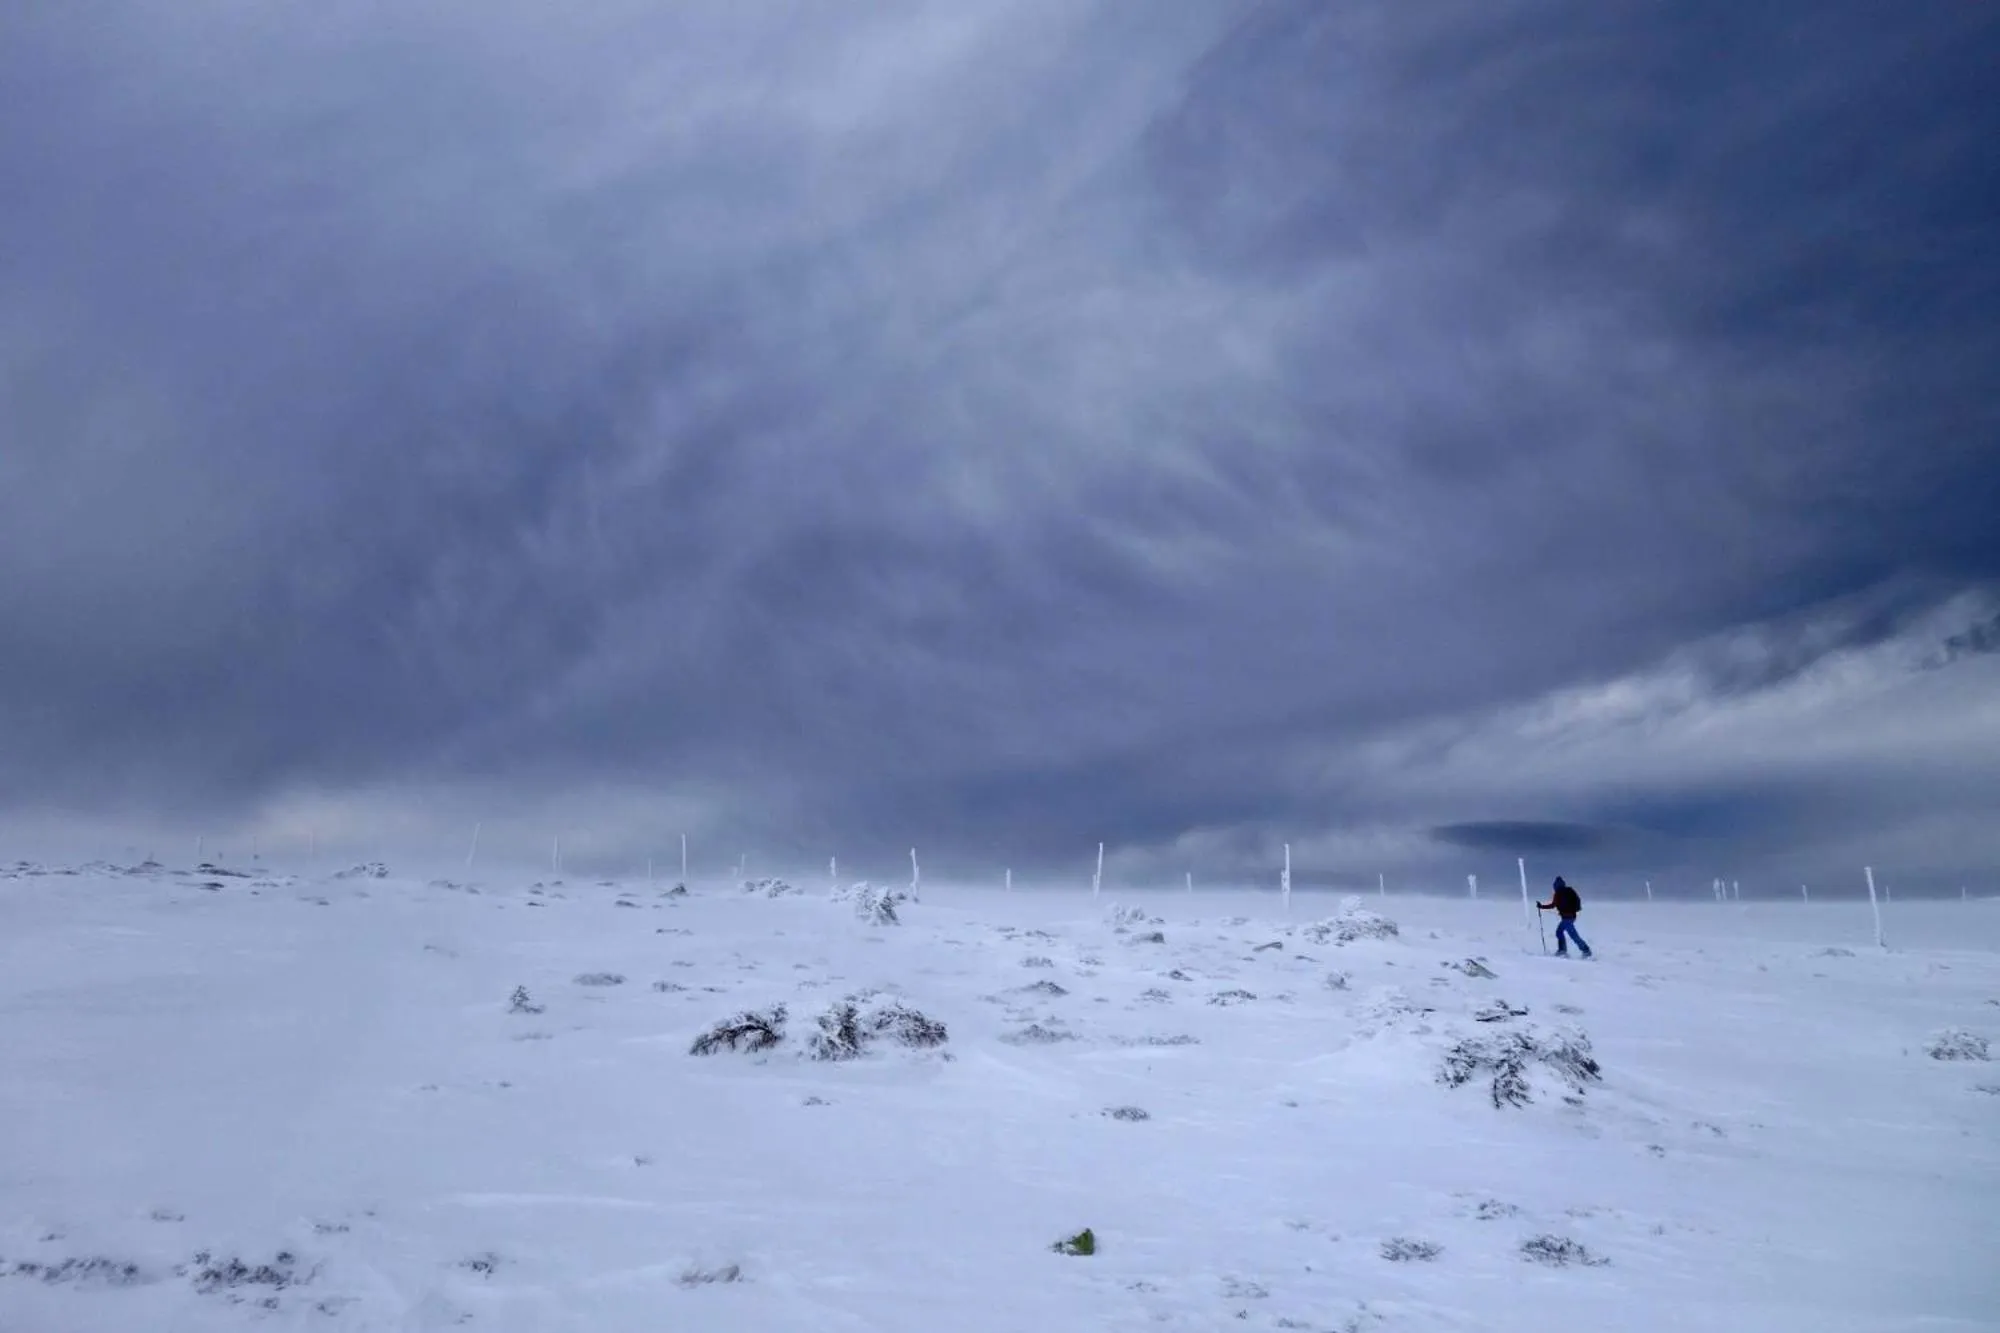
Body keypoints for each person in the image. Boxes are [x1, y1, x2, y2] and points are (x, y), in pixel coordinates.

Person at [1537, 876, 1592, 958]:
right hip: (1571, 916)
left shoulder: (1558, 894)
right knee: (1562, 932)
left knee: (1569, 934)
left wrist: (1541, 906)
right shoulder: (1569, 891)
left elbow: (1553, 905)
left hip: (1567, 918)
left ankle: (1583, 950)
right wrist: (1542, 906)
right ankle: (1566, 950)